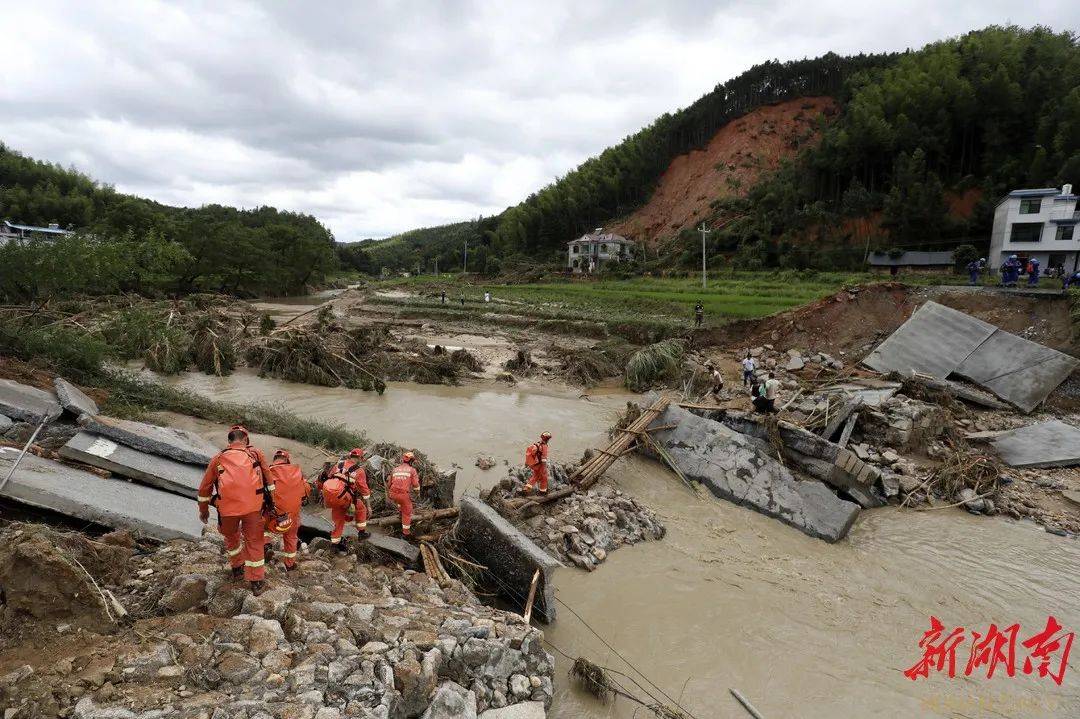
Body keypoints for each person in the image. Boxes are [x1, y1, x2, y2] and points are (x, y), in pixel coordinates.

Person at [197, 425, 276, 595]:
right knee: (254, 541)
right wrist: (272, 504)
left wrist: (204, 511)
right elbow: (269, 483)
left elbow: (204, 489)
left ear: (229, 441)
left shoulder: (218, 459)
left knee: (231, 538)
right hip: (253, 507)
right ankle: (256, 581)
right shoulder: (255, 454)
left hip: (227, 509)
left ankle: (237, 567)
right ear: (246, 440)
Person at [264, 449, 309, 572]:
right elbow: (306, 491)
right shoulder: (297, 473)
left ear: (275, 459)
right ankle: (289, 564)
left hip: (273, 514)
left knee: (263, 527)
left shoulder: (268, 471)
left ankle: (265, 544)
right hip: (291, 515)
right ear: (287, 460)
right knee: (291, 537)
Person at [318, 448, 371, 551]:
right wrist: (369, 506)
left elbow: (330, 477)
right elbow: (365, 490)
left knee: (338, 520)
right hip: (344, 497)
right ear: (360, 458)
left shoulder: (339, 465)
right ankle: (361, 533)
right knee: (360, 507)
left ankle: (334, 544)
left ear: (350, 456)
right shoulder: (359, 471)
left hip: (332, 496)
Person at [389, 452, 422, 536]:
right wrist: (417, 493)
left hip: (392, 494)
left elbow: (389, 484)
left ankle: (400, 514)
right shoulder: (412, 470)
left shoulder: (395, 469)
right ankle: (406, 533)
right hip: (402, 495)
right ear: (411, 461)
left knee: (400, 502)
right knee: (407, 513)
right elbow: (416, 485)